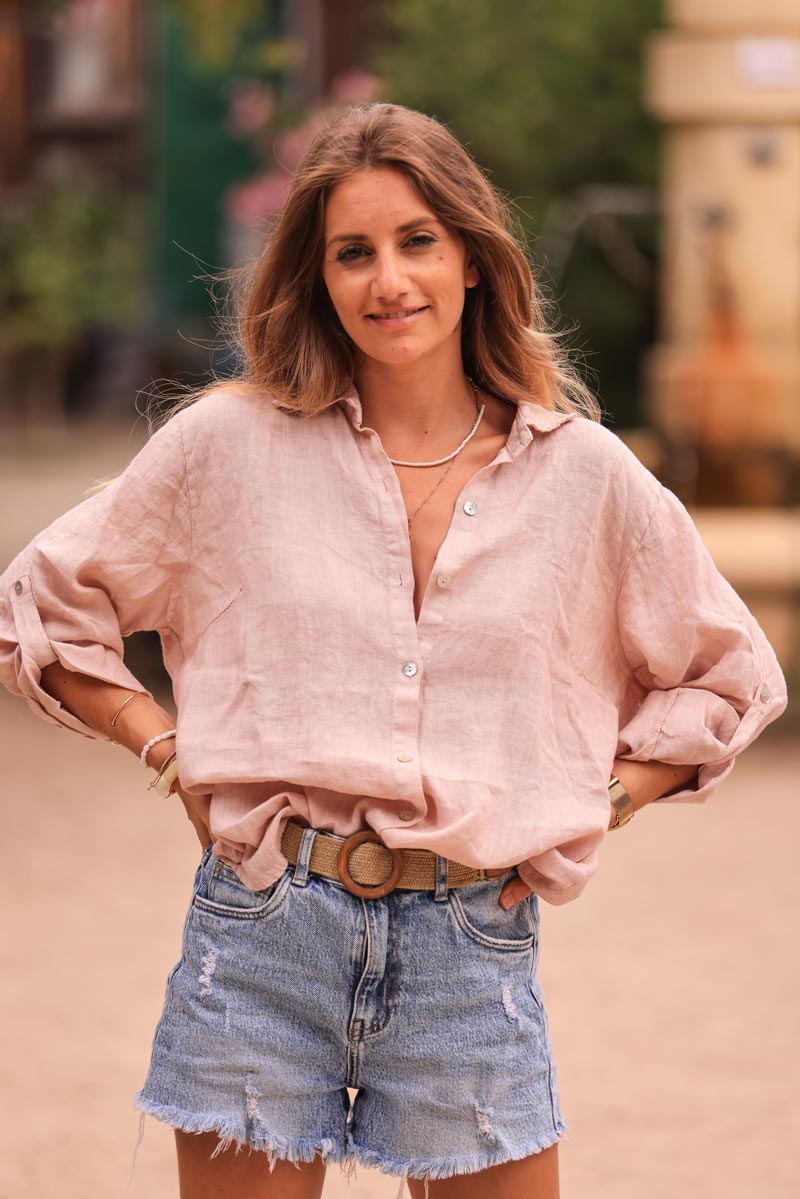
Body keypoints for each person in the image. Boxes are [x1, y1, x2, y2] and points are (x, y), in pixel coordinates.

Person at [0, 103, 787, 1199]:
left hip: (472, 945)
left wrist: (592, 799)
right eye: (351, 252)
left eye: (416, 240)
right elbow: (41, 603)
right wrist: (164, 745)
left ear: (470, 255)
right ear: (317, 278)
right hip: (264, 934)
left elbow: (728, 671)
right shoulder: (229, 447)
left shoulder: (586, 477)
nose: (387, 280)